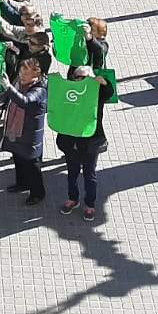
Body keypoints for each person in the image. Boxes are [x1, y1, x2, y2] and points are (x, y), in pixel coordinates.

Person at [58, 62, 110, 222]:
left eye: (84, 78)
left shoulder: (95, 94)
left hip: (90, 142)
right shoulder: (69, 93)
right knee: (72, 173)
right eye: (77, 77)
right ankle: (73, 199)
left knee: (89, 174)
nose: (80, 80)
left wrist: (104, 83)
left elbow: (108, 93)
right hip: (71, 142)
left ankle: (90, 204)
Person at [0, 56, 48, 205]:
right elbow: (12, 97)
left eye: (25, 72)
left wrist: (9, 88)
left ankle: (38, 193)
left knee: (32, 166)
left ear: (36, 74)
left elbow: (24, 101)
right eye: (21, 70)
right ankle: (21, 184)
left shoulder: (39, 90)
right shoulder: (20, 83)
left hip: (30, 136)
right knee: (18, 159)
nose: (21, 74)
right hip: (17, 131)